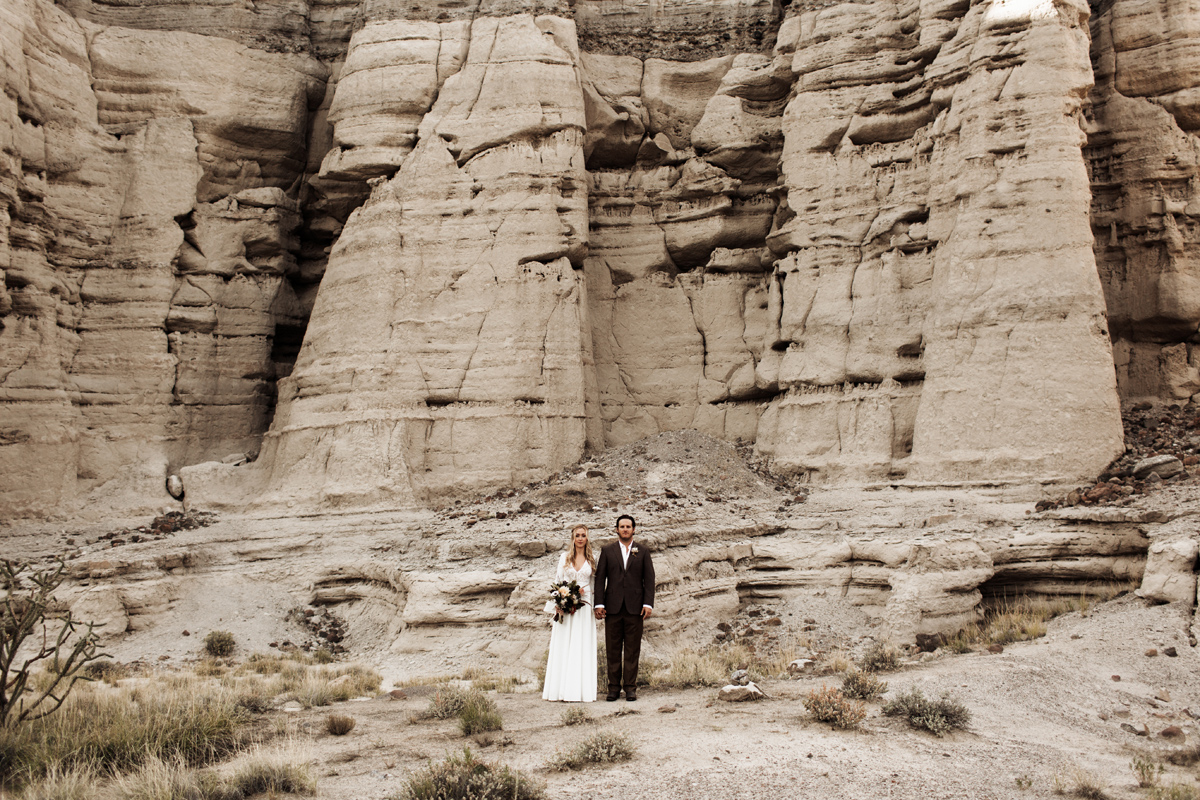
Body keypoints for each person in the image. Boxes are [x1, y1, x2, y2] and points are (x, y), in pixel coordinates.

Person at [593, 514, 654, 701]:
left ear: (633, 529)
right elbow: (600, 578)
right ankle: (613, 688)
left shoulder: (642, 551)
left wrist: (647, 603)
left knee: (632, 649)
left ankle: (630, 687)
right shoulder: (608, 550)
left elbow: (649, 579)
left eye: (628, 526)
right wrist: (599, 603)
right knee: (612, 649)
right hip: (612, 608)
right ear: (617, 529)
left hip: (635, 609)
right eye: (622, 526)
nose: (625, 529)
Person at [542, 524, 598, 702]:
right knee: (564, 644)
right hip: (566, 607)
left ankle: (580, 691)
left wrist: (596, 606)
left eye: (583, 535)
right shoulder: (564, 557)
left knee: (581, 644)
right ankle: (560, 690)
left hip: (584, 607)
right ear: (573, 538)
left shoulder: (592, 559)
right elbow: (557, 582)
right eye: (577, 535)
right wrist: (557, 602)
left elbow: (594, 585)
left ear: (587, 538)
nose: (580, 538)